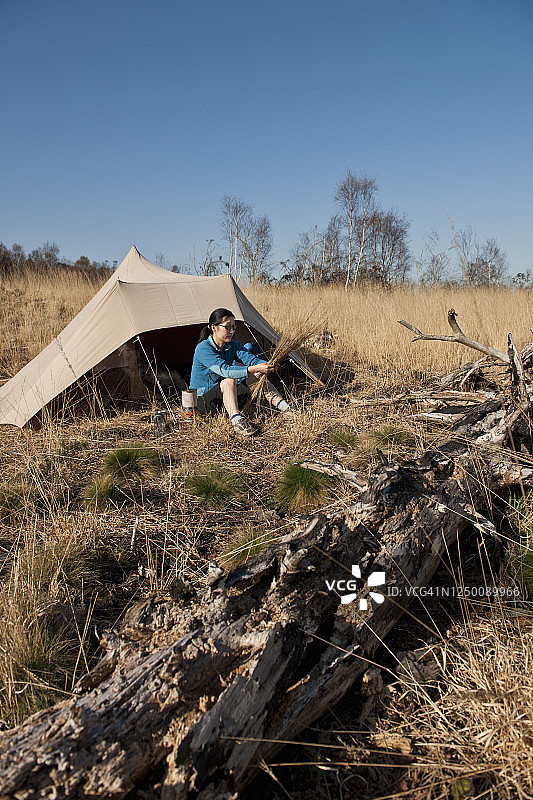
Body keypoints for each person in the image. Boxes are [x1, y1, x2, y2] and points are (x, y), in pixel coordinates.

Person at [190, 308, 292, 435]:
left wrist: (266, 365)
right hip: (203, 402)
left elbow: (251, 360)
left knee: (258, 374)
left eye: (233, 327)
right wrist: (253, 368)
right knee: (228, 381)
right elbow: (224, 370)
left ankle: (286, 409)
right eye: (227, 327)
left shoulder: (232, 345)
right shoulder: (203, 348)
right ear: (214, 327)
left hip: (226, 397)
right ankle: (237, 421)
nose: (231, 331)